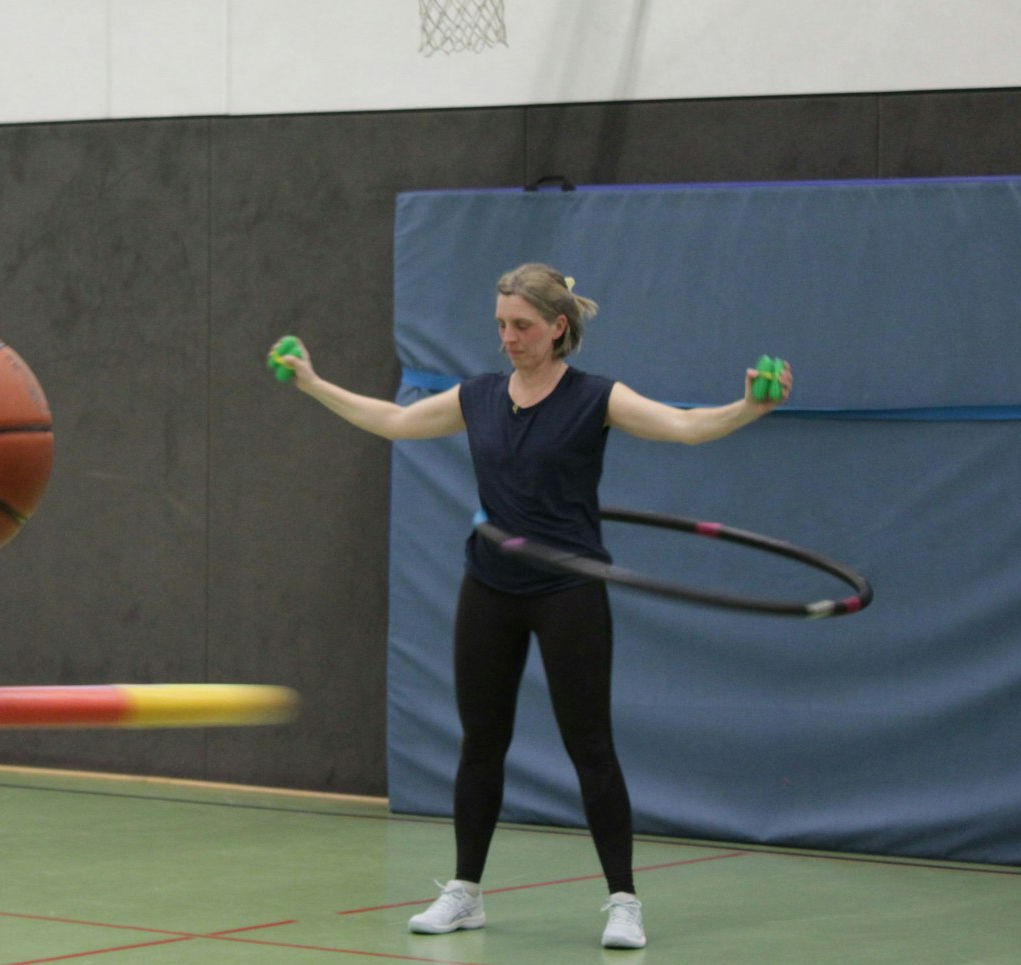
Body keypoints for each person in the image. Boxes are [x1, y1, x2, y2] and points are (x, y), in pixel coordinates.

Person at [272, 262, 791, 952]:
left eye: (521, 325)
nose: (508, 337)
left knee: (591, 747)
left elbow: (683, 427)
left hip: (568, 590)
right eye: (500, 325)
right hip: (489, 584)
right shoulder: (479, 395)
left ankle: (623, 899)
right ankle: (465, 892)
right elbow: (396, 421)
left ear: (558, 326)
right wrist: (311, 381)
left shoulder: (594, 397)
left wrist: (749, 407)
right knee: (481, 744)